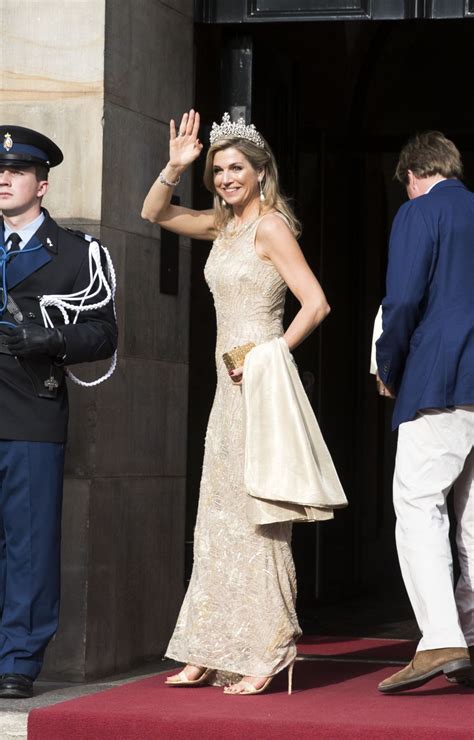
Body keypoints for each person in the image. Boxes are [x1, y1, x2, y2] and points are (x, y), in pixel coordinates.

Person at [142, 110, 344, 695]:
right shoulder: (222, 226)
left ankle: (268, 649)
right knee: (217, 519)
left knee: (258, 517)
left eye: (237, 168)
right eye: (219, 169)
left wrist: (266, 355)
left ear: (261, 172)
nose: (227, 177)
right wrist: (176, 165)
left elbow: (317, 303)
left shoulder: (272, 227)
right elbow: (152, 213)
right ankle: (209, 644)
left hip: (258, 387)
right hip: (224, 397)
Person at [0, 126, 117, 698]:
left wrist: (49, 339)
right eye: (0, 171)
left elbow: (104, 333)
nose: (3, 178)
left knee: (29, 541)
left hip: (30, 409)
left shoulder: (76, 253)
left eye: (17, 171)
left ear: (41, 184)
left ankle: (18, 659)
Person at [375, 131, 473, 693]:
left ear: (413, 175)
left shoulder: (419, 213)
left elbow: (404, 300)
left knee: (418, 504)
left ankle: (441, 638)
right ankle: (471, 635)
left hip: (441, 376)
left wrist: (389, 365)